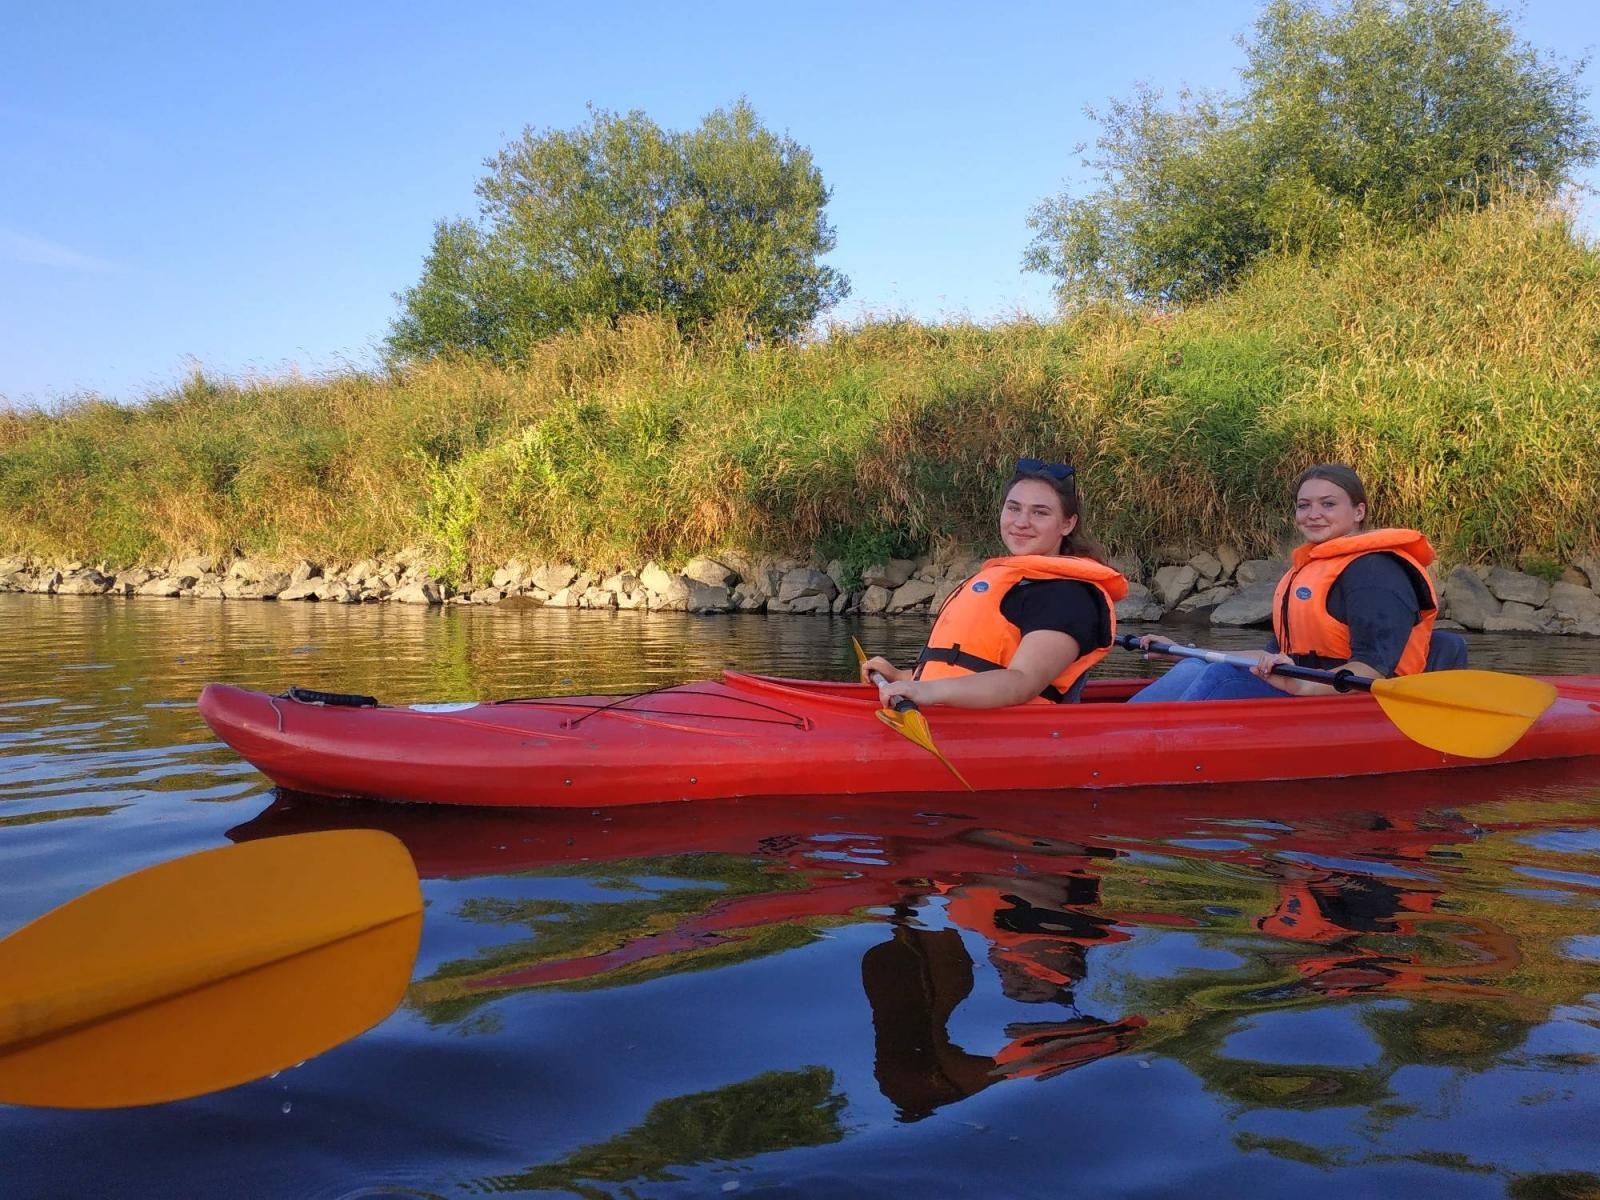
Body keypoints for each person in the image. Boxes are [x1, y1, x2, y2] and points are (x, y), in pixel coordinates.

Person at [1127, 462, 1439, 703]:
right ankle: (1120, 738)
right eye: (1304, 506)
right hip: (1307, 687)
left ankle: (1133, 752)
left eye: (1328, 504)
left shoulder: (1376, 572)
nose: (1313, 514)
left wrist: (1299, 684)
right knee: (1192, 667)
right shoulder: (1311, 569)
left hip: (1357, 704)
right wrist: (1183, 650)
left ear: (1359, 511)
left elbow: (1373, 670)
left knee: (1221, 677)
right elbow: (1273, 653)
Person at [861, 458, 1127, 708]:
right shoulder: (1012, 582)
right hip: (947, 715)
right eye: (1014, 508)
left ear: (1067, 524)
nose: (1021, 522)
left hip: (1016, 736)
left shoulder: (1070, 598)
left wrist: (925, 692)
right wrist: (901, 677)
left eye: (1040, 513)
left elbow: (1021, 682)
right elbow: (965, 669)